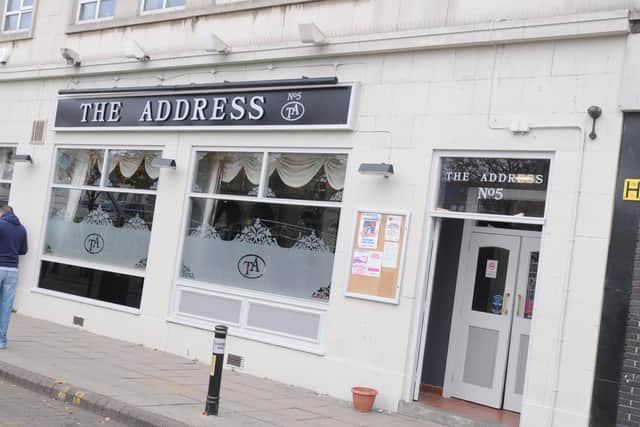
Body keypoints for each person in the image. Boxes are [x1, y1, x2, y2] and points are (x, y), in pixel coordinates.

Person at [0, 206, 28, 349]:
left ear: (2, 212)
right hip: (13, 270)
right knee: (6, 306)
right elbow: (23, 250)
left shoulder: (1, 224)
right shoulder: (22, 229)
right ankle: (2, 341)